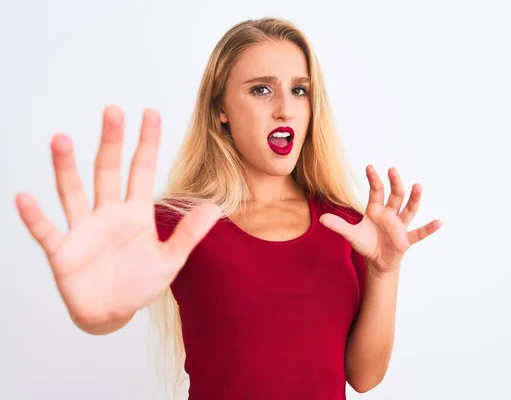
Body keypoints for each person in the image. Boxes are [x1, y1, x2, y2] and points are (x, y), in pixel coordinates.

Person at [15, 17, 442, 400]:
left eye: (299, 90)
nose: (285, 108)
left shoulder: (346, 225)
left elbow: (364, 377)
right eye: (261, 89)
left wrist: (386, 272)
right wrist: (99, 314)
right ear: (221, 109)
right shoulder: (176, 222)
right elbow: (111, 305)